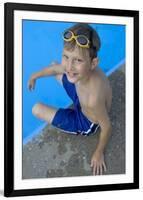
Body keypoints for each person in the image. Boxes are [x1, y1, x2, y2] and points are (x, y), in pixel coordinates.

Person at [28, 23, 112, 176]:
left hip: (85, 121)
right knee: (56, 66)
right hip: (81, 94)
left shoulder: (93, 99)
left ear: (93, 63)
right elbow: (56, 68)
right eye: (66, 56)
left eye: (78, 60)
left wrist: (99, 152)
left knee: (37, 109)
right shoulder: (85, 71)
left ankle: (73, 123)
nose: (69, 65)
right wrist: (35, 76)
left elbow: (106, 127)